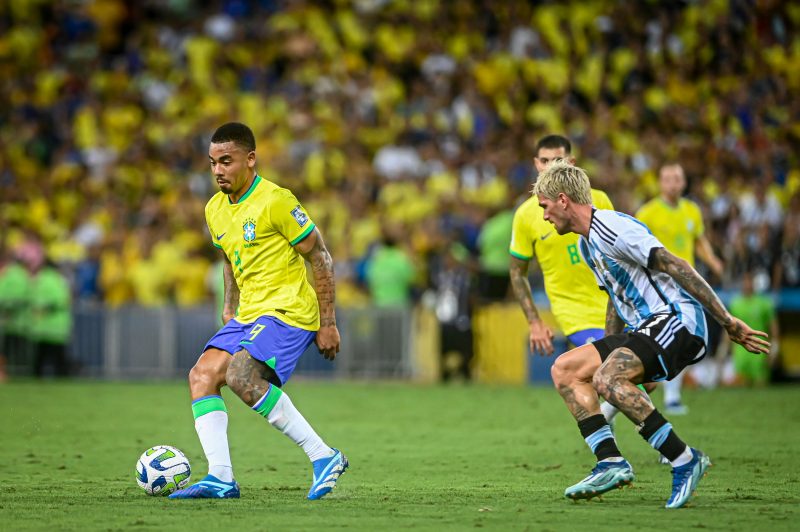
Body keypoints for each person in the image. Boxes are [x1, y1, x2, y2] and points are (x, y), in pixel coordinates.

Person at [533, 161, 769, 509]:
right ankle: (610, 462)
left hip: (678, 321)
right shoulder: (587, 245)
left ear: (564, 200)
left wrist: (728, 321)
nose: (544, 216)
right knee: (565, 370)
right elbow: (615, 299)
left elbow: (678, 265)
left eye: (545, 207)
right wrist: (607, 347)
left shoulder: (612, 228)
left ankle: (684, 459)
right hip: (645, 329)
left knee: (607, 378)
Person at [169, 122, 347, 500]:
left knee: (240, 375)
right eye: (213, 162)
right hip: (249, 312)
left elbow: (321, 257)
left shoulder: (277, 200)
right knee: (201, 376)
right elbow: (229, 260)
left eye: (227, 161)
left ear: (250, 160)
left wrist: (328, 323)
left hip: (289, 310)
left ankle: (323, 456)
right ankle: (220, 477)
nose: (218, 170)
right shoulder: (215, 209)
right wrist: (229, 304)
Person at [509, 135, 652, 421]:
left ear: (571, 163)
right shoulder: (527, 215)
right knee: (618, 370)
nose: (550, 167)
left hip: (611, 301)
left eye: (558, 160)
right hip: (573, 310)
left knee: (647, 378)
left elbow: (617, 251)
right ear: (536, 164)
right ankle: (670, 448)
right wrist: (535, 321)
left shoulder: (597, 199)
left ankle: (607, 424)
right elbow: (517, 271)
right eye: (545, 161)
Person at [636, 163, 724, 414]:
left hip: (687, 282)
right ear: (660, 183)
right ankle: (651, 391)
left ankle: (672, 395)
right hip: (659, 284)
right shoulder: (648, 213)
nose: (673, 183)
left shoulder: (691, 211)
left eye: (677, 178)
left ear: (684, 182)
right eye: (668, 179)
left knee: (683, 336)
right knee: (659, 336)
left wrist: (713, 261)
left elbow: (699, 241)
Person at [724, 270, 780, 386]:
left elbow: (773, 328)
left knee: (761, 385)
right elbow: (728, 329)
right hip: (740, 352)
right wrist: (724, 350)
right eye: (744, 281)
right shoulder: (735, 303)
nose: (747, 284)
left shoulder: (764, 303)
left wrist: (774, 350)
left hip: (760, 351)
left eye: (749, 281)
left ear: (754, 283)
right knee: (741, 387)